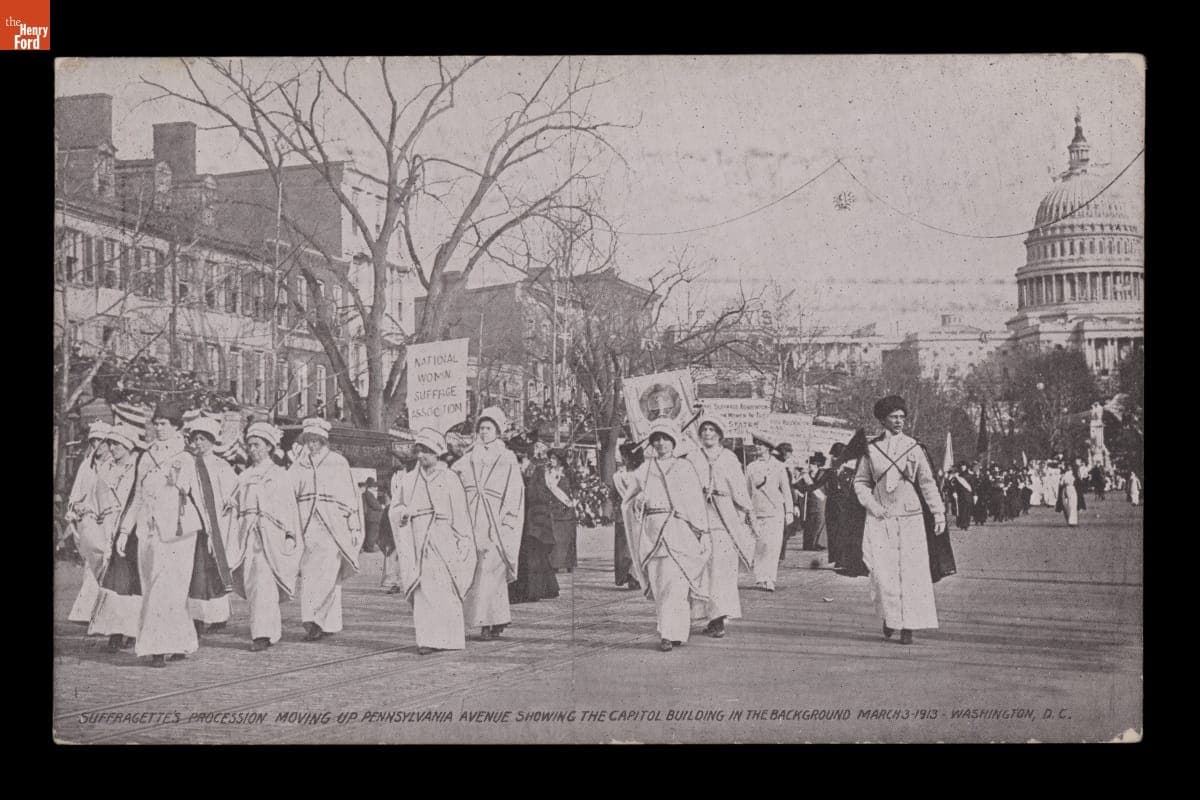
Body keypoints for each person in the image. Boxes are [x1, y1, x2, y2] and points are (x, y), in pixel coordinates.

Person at [853, 396, 947, 645]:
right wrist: (872, 505)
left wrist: (938, 513)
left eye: (902, 417)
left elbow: (928, 483)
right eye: (894, 417)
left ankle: (909, 626)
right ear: (883, 419)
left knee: (912, 573)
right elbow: (861, 482)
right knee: (883, 573)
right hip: (881, 516)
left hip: (910, 516)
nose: (899, 421)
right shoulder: (871, 449)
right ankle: (890, 617)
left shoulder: (914, 447)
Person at [621, 419, 711, 652]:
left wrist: (700, 530)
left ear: (673, 441)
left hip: (678, 530)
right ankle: (666, 631)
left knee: (677, 585)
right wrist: (638, 503)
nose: (661, 443)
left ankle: (674, 633)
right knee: (661, 585)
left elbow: (695, 503)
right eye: (656, 439)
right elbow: (629, 499)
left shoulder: (684, 468)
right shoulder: (645, 469)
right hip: (652, 533)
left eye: (665, 439)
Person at [389, 429, 477, 654]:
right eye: (419, 451)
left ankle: (448, 638)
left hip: (443, 538)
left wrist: (463, 539)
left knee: (445, 589)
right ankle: (427, 639)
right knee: (423, 590)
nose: (421, 456)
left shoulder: (450, 479)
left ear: (437, 453)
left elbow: (460, 513)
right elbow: (395, 508)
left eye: (426, 451)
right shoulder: (408, 481)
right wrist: (403, 513)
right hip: (417, 539)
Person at [225, 423, 303, 652]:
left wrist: (288, 534)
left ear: (269, 446)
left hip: (270, 537)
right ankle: (264, 630)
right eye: (250, 445)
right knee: (252, 584)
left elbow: (288, 507)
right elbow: (236, 503)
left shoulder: (279, 475)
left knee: (264, 583)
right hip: (247, 537)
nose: (253, 450)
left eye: (257, 445)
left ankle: (263, 634)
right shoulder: (244, 476)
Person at [455, 407, 524, 641]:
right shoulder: (468, 457)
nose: (484, 432)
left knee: (491, 571)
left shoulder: (507, 458)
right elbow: (454, 479)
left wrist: (508, 519)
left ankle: (491, 621)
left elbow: (514, 491)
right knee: (475, 571)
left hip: (495, 521)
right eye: (481, 428)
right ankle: (486, 619)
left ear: (497, 430)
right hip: (472, 518)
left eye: (488, 428)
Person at [291, 417, 362, 641]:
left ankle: (324, 621)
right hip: (307, 526)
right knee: (310, 577)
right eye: (308, 441)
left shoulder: (338, 462)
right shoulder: (299, 465)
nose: (311, 445)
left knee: (329, 575)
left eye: (315, 441)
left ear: (323, 441)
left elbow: (350, 496)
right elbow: (288, 492)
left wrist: (352, 526)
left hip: (332, 527)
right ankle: (311, 621)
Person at [690, 414, 754, 639]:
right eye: (704, 429)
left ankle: (719, 618)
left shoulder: (728, 458)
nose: (708, 433)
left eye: (712, 429)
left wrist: (746, 509)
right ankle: (704, 615)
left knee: (721, 570)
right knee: (700, 568)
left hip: (723, 517)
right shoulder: (692, 457)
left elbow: (738, 487)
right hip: (699, 515)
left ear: (719, 433)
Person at [87, 422, 146, 652]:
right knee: (111, 583)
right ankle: (114, 630)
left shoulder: (137, 469)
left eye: (118, 444)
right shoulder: (105, 469)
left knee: (129, 583)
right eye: (111, 443)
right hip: (108, 528)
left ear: (129, 446)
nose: (113, 448)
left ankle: (130, 631)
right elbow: (95, 497)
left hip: (130, 531)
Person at [179, 415, 236, 638]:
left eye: (203, 439)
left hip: (216, 524)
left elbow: (233, 490)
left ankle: (217, 616)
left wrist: (231, 500)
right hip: (196, 523)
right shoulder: (189, 464)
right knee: (196, 573)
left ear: (212, 441)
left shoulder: (221, 465)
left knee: (213, 572)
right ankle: (197, 617)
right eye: (196, 439)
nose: (199, 444)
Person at [66, 421, 112, 623]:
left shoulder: (115, 465)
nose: (98, 446)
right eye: (94, 441)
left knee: (107, 564)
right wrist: (77, 507)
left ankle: (104, 612)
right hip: (89, 522)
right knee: (91, 566)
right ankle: (87, 611)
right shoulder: (87, 466)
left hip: (109, 522)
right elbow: (76, 494)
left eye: (102, 442)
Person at [512, 439, 561, 603]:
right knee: (534, 554)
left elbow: (537, 494)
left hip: (533, 516)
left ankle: (533, 590)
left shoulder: (535, 469)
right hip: (531, 515)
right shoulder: (530, 468)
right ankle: (545, 587)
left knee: (532, 553)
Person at [745, 438, 794, 592]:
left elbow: (786, 490)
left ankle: (770, 578)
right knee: (760, 545)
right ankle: (761, 576)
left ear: (767, 447)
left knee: (773, 545)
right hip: (757, 510)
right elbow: (746, 490)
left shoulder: (779, 466)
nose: (757, 447)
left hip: (775, 510)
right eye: (756, 444)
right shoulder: (751, 467)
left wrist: (789, 511)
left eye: (760, 445)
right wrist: (745, 510)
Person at [611, 443, 643, 591]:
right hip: (634, 515)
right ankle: (633, 576)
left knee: (627, 547)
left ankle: (631, 576)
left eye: (624, 455)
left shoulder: (620, 476)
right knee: (633, 547)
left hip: (626, 515)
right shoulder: (641, 474)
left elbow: (613, 497)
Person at [544, 449, 578, 573]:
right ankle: (555, 564)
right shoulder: (548, 473)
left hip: (566, 508)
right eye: (550, 458)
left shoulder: (569, 472)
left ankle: (569, 563)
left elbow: (575, 487)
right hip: (553, 509)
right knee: (555, 537)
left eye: (554, 458)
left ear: (560, 460)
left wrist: (574, 500)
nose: (551, 461)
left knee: (568, 538)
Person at [796, 452, 832, 551]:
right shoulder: (806, 475)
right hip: (810, 502)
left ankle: (817, 543)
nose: (809, 466)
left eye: (811, 464)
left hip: (821, 501)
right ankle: (808, 544)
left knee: (819, 522)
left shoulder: (823, 474)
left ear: (817, 464)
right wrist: (802, 478)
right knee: (809, 523)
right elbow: (798, 486)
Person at [360, 476, 384, 553]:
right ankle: (370, 548)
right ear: (371, 487)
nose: (376, 488)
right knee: (372, 533)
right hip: (373, 517)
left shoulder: (366, 494)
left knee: (370, 532)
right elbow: (375, 505)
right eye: (374, 486)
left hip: (370, 517)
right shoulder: (369, 494)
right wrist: (381, 506)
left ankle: (368, 546)